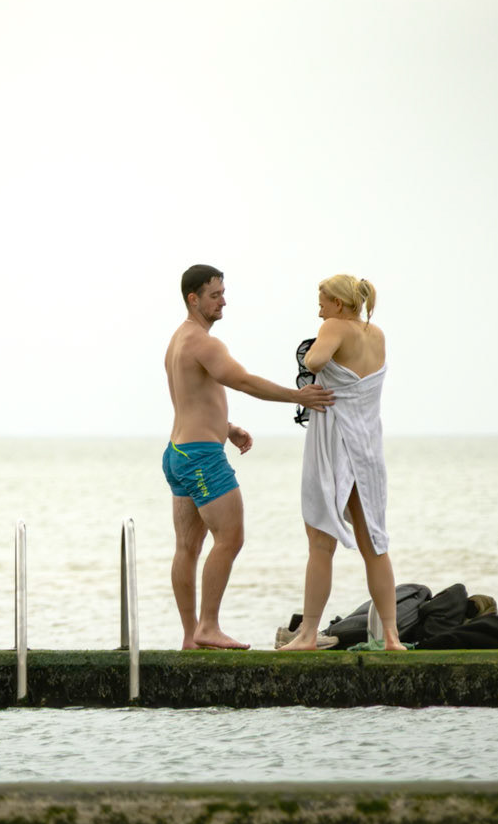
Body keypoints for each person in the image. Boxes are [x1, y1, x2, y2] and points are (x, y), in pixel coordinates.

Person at [164, 265, 334, 650]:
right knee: (230, 538)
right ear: (193, 299)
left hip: (178, 452)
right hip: (201, 458)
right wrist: (297, 396)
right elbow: (242, 380)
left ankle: (191, 636)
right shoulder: (205, 343)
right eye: (215, 295)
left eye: (223, 293)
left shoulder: (178, 340)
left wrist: (226, 427)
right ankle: (208, 627)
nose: (223, 301)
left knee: (187, 548)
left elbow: (189, 397)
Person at [280, 274, 407, 653]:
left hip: (335, 446)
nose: (319, 310)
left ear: (338, 303)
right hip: (367, 447)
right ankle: (392, 637)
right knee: (375, 545)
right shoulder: (376, 334)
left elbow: (316, 360)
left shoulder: (334, 326)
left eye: (322, 302)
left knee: (321, 542)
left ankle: (307, 635)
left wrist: (315, 350)